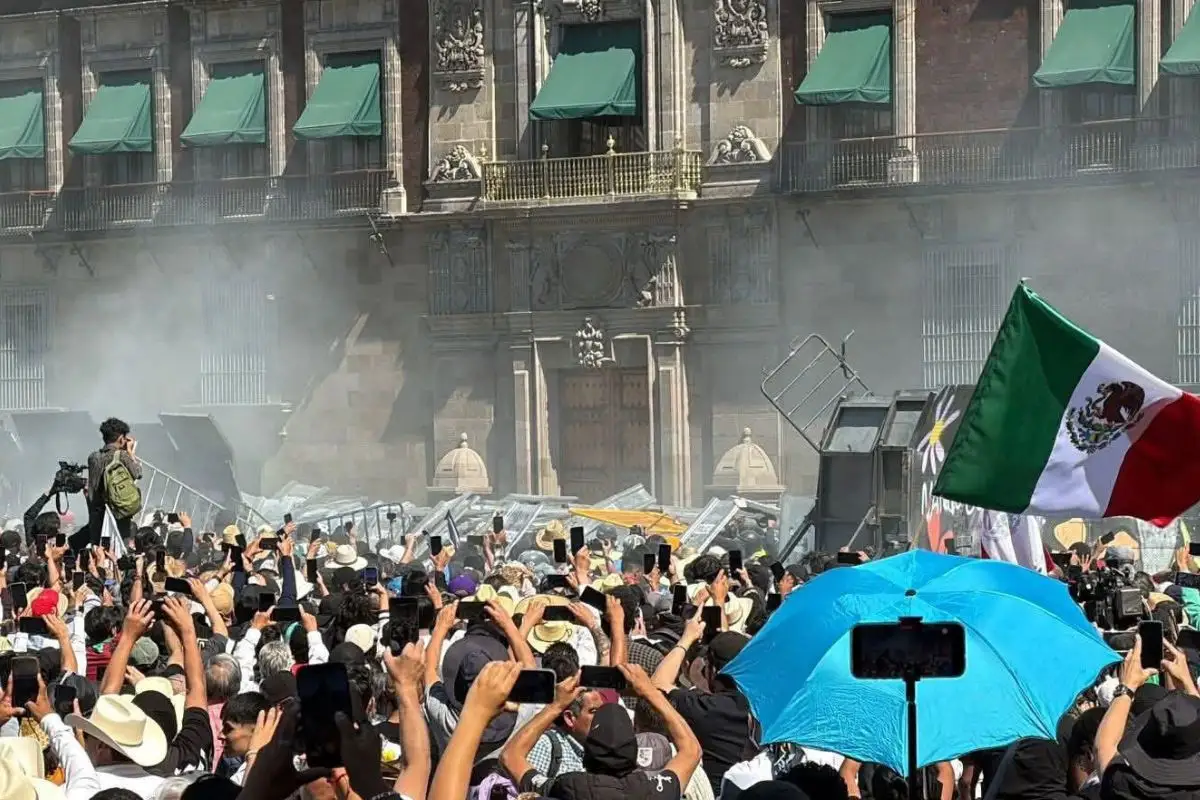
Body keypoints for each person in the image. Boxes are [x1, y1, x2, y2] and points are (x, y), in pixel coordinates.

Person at [85, 417, 142, 548]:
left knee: (99, 549)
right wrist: (130, 453)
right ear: (121, 438)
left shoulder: (93, 458)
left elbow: (92, 488)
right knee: (121, 547)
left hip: (98, 514)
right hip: (119, 512)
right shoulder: (122, 456)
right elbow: (138, 473)